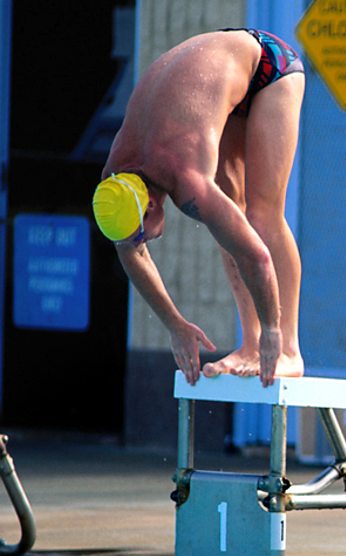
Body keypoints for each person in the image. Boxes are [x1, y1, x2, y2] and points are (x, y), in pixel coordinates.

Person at [92, 28, 306, 386]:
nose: (143, 244)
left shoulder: (187, 180)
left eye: (141, 236)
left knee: (261, 218)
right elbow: (129, 252)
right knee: (229, 218)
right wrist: (175, 324)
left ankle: (288, 351)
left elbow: (257, 257)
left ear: (150, 207)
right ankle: (250, 345)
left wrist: (273, 329)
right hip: (212, 77)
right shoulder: (115, 181)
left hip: (269, 66)